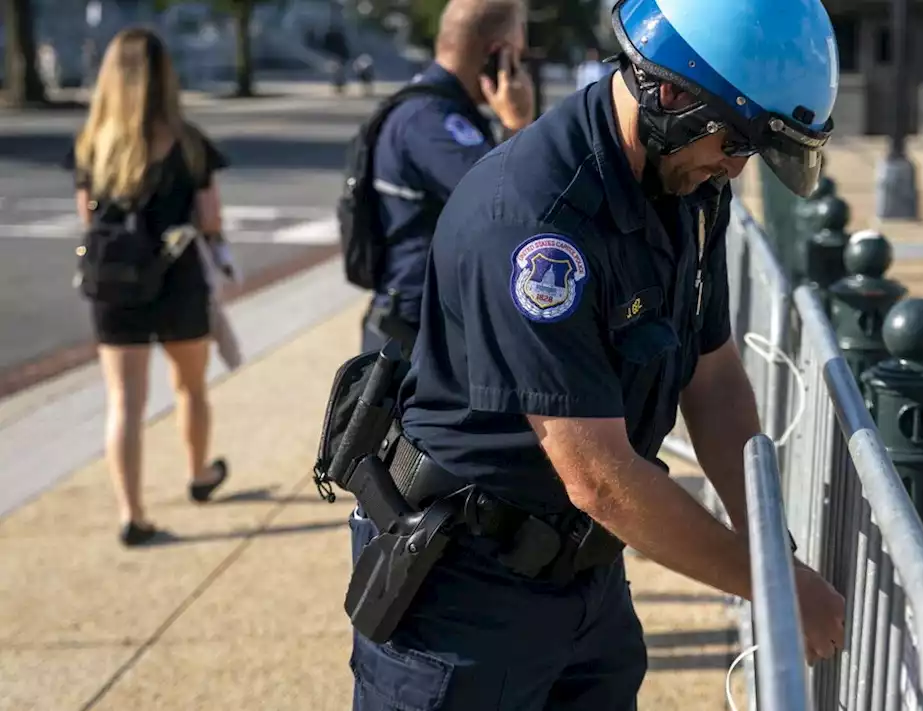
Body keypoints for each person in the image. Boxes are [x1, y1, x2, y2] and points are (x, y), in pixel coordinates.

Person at [345, 0, 845, 707]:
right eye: (737, 143)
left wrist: (769, 543)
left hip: (587, 577)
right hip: (463, 592)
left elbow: (714, 375)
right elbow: (599, 476)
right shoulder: (534, 221)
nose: (735, 168)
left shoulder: (687, 182)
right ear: (670, 94)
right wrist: (770, 583)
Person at [66, 27, 231, 547]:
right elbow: (209, 218)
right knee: (190, 386)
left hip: (113, 284)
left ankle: (131, 513)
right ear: (164, 76)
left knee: (124, 400)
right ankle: (200, 472)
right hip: (177, 279)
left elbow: (88, 218)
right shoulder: (186, 141)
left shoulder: (93, 144)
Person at [358, 0, 535, 354]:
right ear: (497, 55)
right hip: (415, 336)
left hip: (426, 324)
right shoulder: (432, 121)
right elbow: (508, 208)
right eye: (518, 54)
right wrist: (518, 125)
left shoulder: (440, 108)